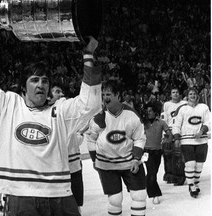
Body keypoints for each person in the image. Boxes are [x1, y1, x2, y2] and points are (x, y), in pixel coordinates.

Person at [0, 26, 102, 216]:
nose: (41, 84)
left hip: (59, 193)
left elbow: (90, 103)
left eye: (45, 81)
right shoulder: (9, 104)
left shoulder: (59, 111)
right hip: (20, 195)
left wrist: (88, 55)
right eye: (35, 80)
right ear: (23, 88)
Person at [84, 80, 147, 216]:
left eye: (109, 94)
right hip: (107, 164)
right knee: (115, 200)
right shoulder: (98, 115)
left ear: (118, 96)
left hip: (129, 162)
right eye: (103, 94)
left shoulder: (131, 115)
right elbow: (90, 138)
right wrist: (95, 160)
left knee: (139, 196)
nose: (105, 98)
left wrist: (136, 159)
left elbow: (140, 138)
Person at [48, 84, 85, 214]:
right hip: (57, 169)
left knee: (76, 204)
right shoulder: (47, 115)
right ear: (48, 94)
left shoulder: (66, 111)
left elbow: (77, 141)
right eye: (57, 91)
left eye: (61, 92)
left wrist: (79, 134)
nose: (61, 94)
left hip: (74, 166)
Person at [172, 87, 210, 198]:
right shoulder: (182, 109)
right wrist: (177, 138)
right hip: (187, 140)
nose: (192, 96)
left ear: (197, 95)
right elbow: (176, 124)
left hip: (201, 140)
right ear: (187, 96)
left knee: (199, 165)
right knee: (190, 164)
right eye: (190, 94)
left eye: (194, 94)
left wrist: (202, 130)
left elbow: (209, 121)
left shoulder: (204, 107)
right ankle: (191, 185)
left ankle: (195, 183)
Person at [143, 103, 173, 204]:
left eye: (150, 111)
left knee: (153, 173)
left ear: (155, 112)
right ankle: (154, 194)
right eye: (147, 111)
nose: (148, 113)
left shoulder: (161, 122)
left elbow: (169, 134)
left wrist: (167, 140)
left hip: (158, 151)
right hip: (146, 152)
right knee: (151, 173)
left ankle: (147, 182)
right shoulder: (142, 123)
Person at [161, 87, 187, 185]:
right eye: (173, 92)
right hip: (168, 132)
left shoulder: (184, 103)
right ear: (170, 94)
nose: (175, 94)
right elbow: (163, 119)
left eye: (177, 92)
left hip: (180, 132)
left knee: (179, 155)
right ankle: (169, 175)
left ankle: (180, 177)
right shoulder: (166, 104)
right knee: (167, 155)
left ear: (180, 94)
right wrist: (166, 132)